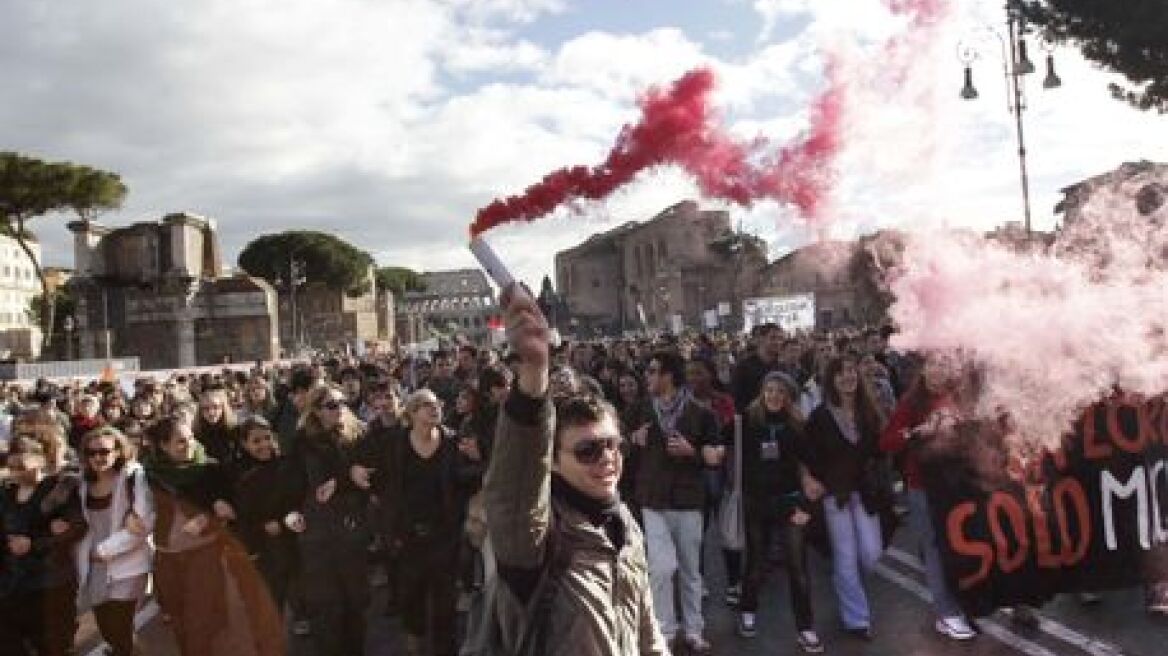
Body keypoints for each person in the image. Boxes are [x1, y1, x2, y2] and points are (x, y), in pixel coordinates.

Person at [482, 283, 667, 655]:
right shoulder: (535, 537)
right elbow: (515, 487)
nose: (607, 458)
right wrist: (533, 375)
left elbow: (646, 626)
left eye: (614, 445)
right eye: (587, 450)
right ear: (551, 460)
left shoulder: (624, 523)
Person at [880, 352, 978, 641]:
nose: (937, 373)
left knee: (955, 547)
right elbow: (886, 442)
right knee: (934, 549)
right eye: (932, 367)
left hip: (952, 487)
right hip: (922, 486)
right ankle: (946, 613)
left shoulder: (955, 399)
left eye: (942, 367)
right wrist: (913, 433)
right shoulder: (911, 403)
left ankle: (957, 605)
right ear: (923, 372)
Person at [630, 351, 723, 654]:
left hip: (687, 500)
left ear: (669, 375)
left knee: (689, 569)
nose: (648, 377)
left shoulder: (700, 413)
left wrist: (692, 452)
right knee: (661, 568)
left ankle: (693, 630)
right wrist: (633, 439)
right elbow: (616, 442)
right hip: (653, 500)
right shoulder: (640, 409)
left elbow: (714, 456)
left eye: (653, 371)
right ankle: (666, 630)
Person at [379, 389, 474, 656]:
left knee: (445, 603)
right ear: (411, 413)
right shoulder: (396, 443)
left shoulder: (453, 442)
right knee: (412, 599)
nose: (435, 409)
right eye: (426, 405)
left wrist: (477, 458)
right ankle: (414, 645)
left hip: (445, 535)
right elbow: (382, 480)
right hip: (408, 536)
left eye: (437, 403)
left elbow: (470, 479)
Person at [801, 354, 890, 641]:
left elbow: (882, 450)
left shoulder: (870, 412)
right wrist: (809, 479)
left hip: (864, 493)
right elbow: (805, 453)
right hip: (834, 496)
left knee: (871, 553)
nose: (847, 376)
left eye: (851, 371)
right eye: (840, 373)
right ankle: (857, 619)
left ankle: (847, 587)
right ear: (832, 380)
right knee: (846, 557)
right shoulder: (820, 416)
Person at [736, 372, 823, 652]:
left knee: (797, 567)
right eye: (769, 390)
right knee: (756, 562)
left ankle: (806, 628)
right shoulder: (746, 422)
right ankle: (747, 611)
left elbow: (814, 465)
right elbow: (718, 442)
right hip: (756, 503)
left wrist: (808, 507)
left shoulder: (796, 426)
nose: (774, 396)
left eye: (780, 392)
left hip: (790, 502)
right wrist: (710, 450)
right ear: (762, 393)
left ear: (788, 397)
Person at [282, 384, 370, 656]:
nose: (340, 409)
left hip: (351, 528)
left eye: (342, 403)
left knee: (356, 604)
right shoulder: (301, 442)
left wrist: (342, 481)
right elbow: (291, 485)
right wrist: (289, 514)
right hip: (317, 533)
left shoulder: (359, 436)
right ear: (316, 411)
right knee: (326, 608)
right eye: (332, 405)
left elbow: (370, 476)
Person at [145, 417, 234, 656]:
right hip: (168, 553)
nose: (189, 445)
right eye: (180, 442)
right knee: (178, 613)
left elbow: (231, 505)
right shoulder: (149, 475)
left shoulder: (210, 468)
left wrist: (208, 517)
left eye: (191, 439)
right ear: (164, 446)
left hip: (204, 549)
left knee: (201, 613)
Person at [0, 435, 87, 656]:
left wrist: (34, 544)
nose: (16, 472)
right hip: (11, 584)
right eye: (11, 466)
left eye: (21, 466)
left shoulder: (59, 490)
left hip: (50, 584)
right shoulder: (5, 492)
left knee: (53, 646)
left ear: (39, 460)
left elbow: (76, 528)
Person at [75, 426, 153, 656]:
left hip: (128, 565)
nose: (98, 457)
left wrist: (105, 549)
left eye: (105, 451)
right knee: (108, 630)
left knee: (120, 628)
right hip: (93, 566)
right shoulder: (80, 482)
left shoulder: (133, 477)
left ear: (118, 451)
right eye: (91, 452)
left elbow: (143, 524)